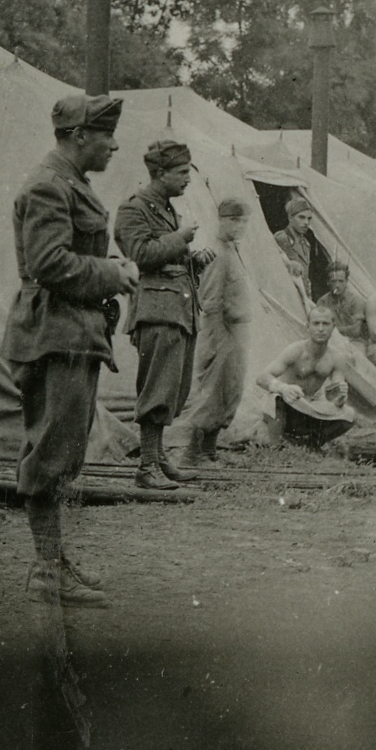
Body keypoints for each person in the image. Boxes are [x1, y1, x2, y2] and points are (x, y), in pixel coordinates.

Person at [3, 93, 138, 608]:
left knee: (63, 449)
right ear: (80, 136)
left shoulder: (71, 183)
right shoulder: (49, 186)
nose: (113, 146)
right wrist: (112, 274)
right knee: (51, 451)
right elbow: (48, 263)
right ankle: (45, 570)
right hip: (53, 334)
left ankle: (53, 560)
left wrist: (107, 269)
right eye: (106, 136)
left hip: (71, 333)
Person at [114, 138, 215, 491]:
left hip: (178, 309)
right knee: (157, 389)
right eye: (182, 172)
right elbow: (139, 254)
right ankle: (146, 466)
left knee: (173, 389)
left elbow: (167, 259)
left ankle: (158, 459)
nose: (187, 178)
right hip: (157, 311)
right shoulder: (134, 209)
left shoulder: (166, 208)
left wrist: (193, 260)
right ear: (160, 173)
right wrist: (180, 239)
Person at [179, 197, 254, 467]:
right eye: (234, 220)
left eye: (243, 221)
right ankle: (192, 454)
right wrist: (217, 340)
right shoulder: (217, 253)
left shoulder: (233, 250)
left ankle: (209, 452)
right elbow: (210, 302)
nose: (240, 226)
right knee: (212, 393)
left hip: (236, 333)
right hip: (220, 332)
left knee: (229, 391)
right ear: (221, 221)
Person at [257, 303, 357, 450]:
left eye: (325, 324)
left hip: (307, 407)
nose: (321, 329)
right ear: (308, 326)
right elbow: (262, 377)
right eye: (316, 323)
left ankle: (310, 444)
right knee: (275, 398)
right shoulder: (295, 350)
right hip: (285, 406)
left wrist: (340, 398)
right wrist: (284, 388)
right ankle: (276, 445)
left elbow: (334, 396)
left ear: (333, 327)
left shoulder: (337, 357)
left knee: (350, 415)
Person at [322, 259, 376, 398]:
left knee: (358, 360)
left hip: (356, 341)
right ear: (328, 282)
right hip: (336, 342)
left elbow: (356, 331)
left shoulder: (356, 300)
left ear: (346, 281)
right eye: (333, 281)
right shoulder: (323, 301)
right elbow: (372, 333)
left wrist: (334, 329)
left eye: (341, 281)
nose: (337, 285)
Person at [273, 195, 335, 303]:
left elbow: (305, 278)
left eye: (309, 218)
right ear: (290, 218)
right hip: (286, 297)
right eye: (301, 217)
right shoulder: (282, 238)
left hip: (302, 298)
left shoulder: (306, 244)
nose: (306, 222)